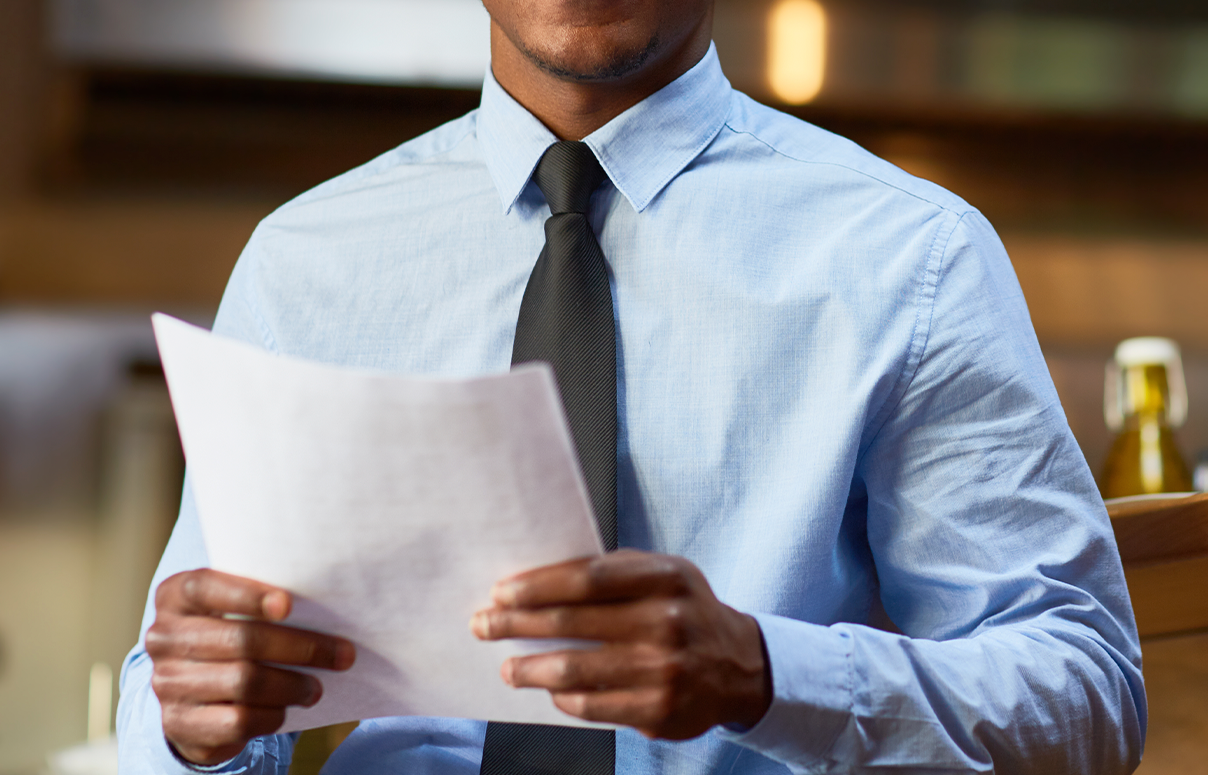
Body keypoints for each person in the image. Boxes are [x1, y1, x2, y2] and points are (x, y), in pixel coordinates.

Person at [117, 0, 1148, 772]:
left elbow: (1089, 694)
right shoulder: (306, 266)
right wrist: (187, 722)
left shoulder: (914, 260)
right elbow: (176, 685)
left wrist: (760, 671)